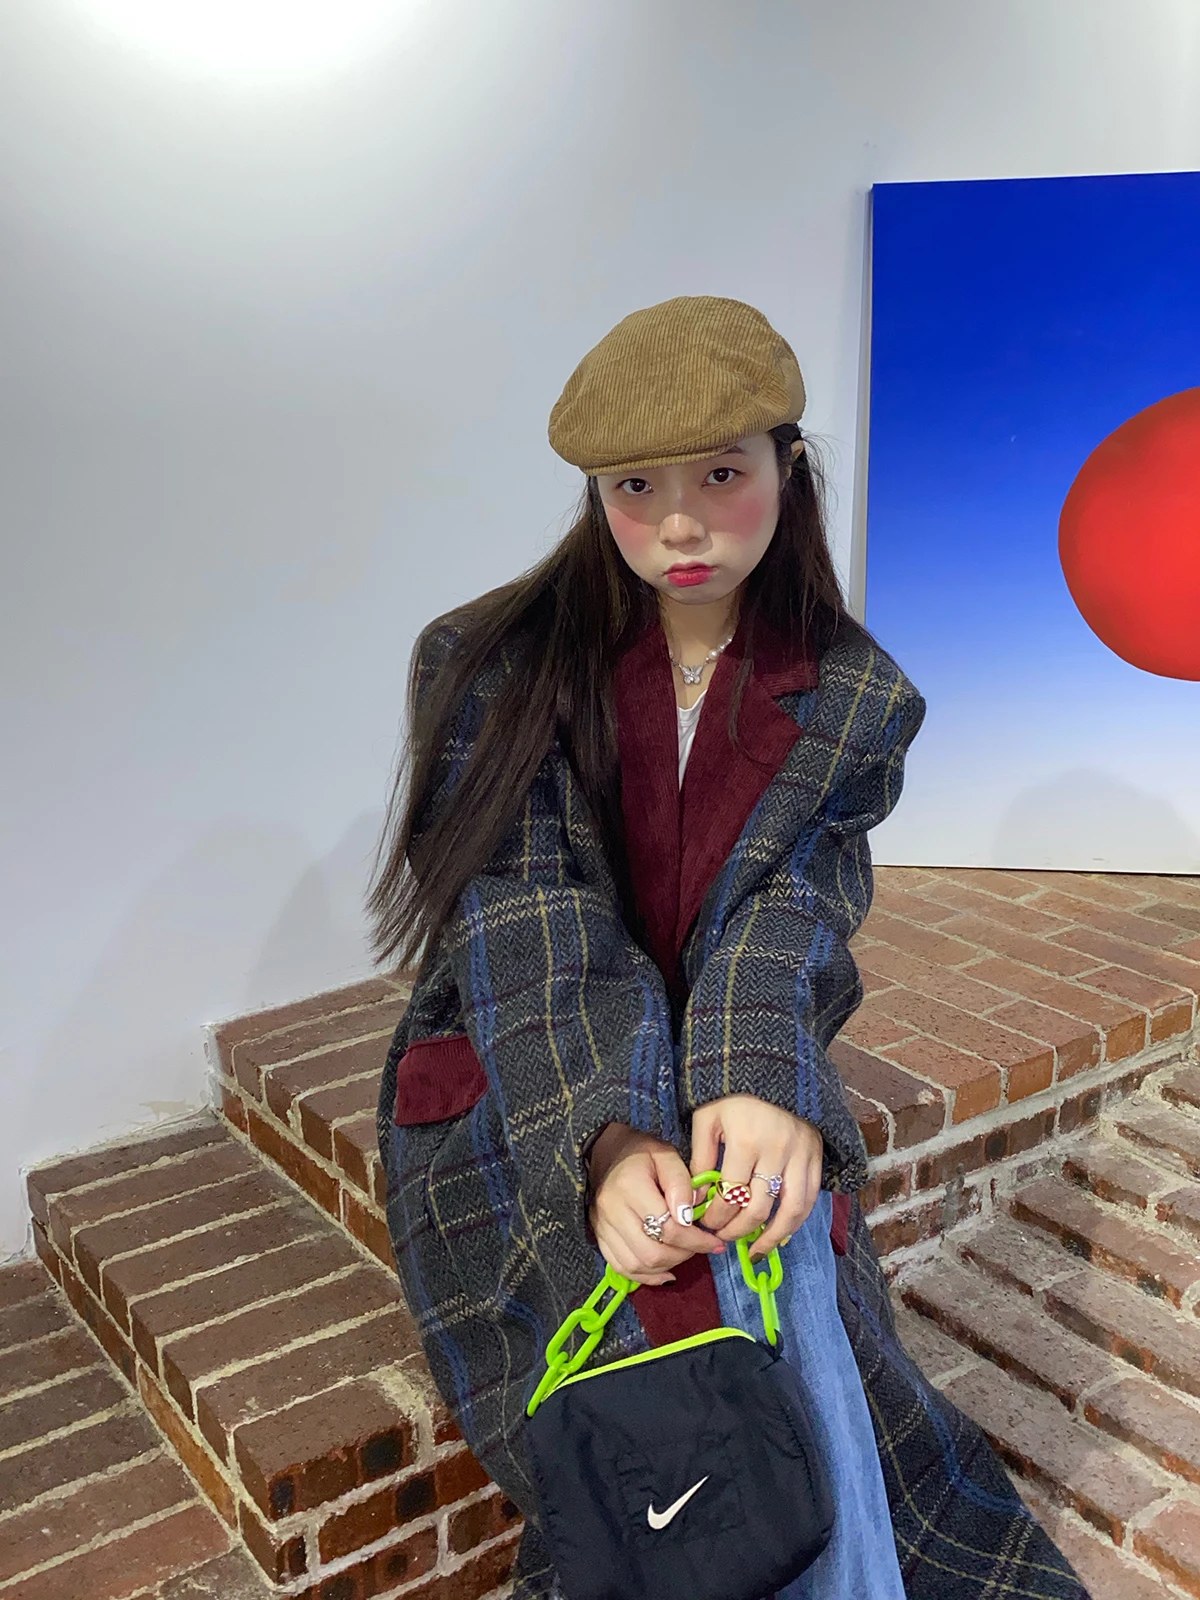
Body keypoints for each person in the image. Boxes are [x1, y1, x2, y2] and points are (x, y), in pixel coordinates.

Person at [371, 297, 1087, 1599]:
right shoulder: (486, 662)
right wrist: (605, 1137)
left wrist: (755, 1080)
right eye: (636, 488)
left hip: (728, 1042)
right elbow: (527, 917)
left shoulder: (855, 695)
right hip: (528, 1062)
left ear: (787, 466)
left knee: (768, 1263)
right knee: (690, 1340)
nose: (681, 526)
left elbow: (789, 906)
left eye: (719, 474)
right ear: (596, 496)